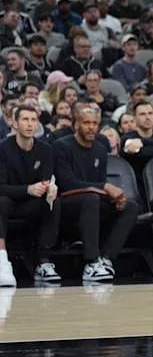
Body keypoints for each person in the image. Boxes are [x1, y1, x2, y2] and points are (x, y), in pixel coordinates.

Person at [55, 106, 139, 282]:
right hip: (65, 202)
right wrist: (105, 187)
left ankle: (106, 259)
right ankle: (91, 261)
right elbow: (67, 183)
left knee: (131, 206)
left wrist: (114, 199)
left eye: (95, 123)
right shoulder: (62, 146)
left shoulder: (100, 149)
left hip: (91, 201)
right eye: (86, 123)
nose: (91, 127)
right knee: (91, 198)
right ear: (76, 125)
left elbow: (99, 185)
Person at [0, 106, 61, 286]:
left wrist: (50, 188)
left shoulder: (45, 149)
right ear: (14, 123)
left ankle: (44, 261)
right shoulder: (2, 148)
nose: (30, 124)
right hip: (8, 203)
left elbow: (46, 179)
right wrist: (27, 189)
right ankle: (2, 261)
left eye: (34, 120)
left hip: (31, 204)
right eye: (25, 119)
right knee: (0, 202)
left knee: (53, 201)